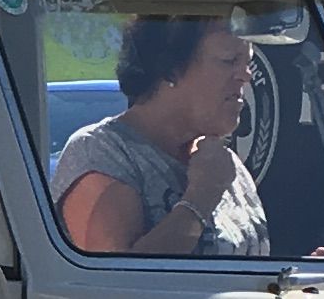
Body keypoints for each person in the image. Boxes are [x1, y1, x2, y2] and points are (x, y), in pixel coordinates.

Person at [53, 15, 268, 256]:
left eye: (247, 62)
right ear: (170, 69)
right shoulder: (101, 153)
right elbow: (115, 283)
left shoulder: (225, 165)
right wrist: (200, 198)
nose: (246, 75)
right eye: (229, 60)